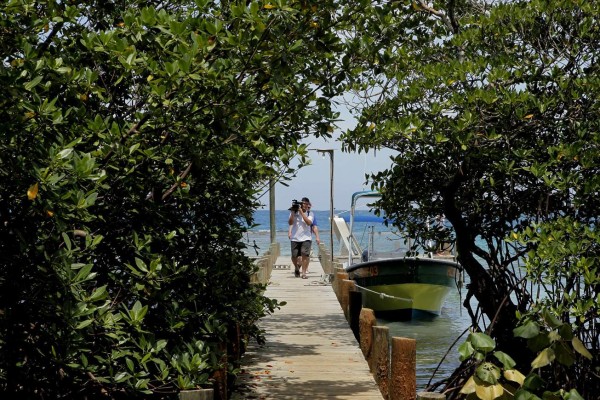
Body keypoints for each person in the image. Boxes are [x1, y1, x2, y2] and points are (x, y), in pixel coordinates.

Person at [288, 197, 313, 279]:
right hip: (295, 237)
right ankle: (296, 268)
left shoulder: (310, 213)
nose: (305, 206)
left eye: (307, 204)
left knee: (304, 254)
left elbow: (308, 223)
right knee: (294, 256)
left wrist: (302, 213)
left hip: (306, 237)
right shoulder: (294, 212)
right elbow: (290, 223)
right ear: (301, 204)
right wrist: (292, 212)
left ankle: (304, 273)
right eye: (304, 204)